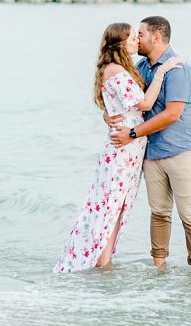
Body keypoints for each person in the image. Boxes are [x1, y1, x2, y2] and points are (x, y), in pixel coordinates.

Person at [53, 22, 182, 274]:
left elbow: (117, 108)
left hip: (128, 148)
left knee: (116, 205)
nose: (137, 41)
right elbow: (144, 104)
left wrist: (107, 116)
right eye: (133, 38)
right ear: (121, 43)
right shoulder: (116, 71)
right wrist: (162, 71)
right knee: (110, 205)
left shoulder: (120, 69)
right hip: (122, 149)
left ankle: (103, 259)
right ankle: (99, 260)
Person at [107, 15, 191, 276]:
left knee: (190, 216)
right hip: (151, 151)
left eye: (140, 34)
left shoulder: (178, 68)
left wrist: (132, 133)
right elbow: (120, 96)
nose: (137, 38)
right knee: (159, 213)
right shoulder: (141, 67)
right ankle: (159, 271)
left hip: (181, 148)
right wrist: (107, 115)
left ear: (156, 37)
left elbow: (172, 114)